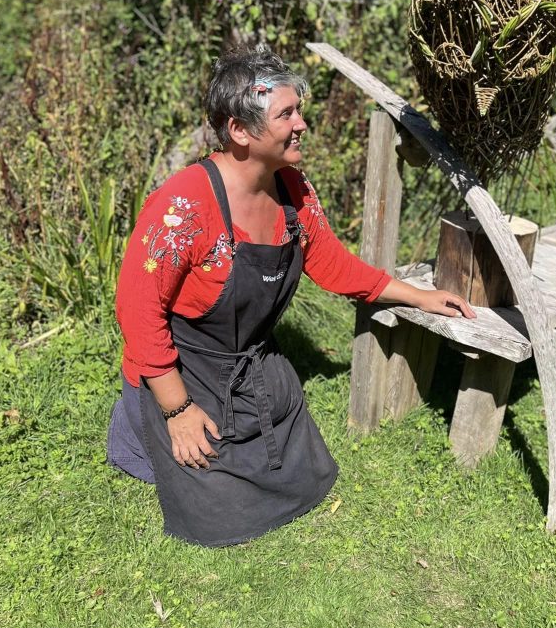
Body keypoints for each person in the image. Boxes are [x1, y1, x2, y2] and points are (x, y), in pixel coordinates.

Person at [107, 44, 476, 547]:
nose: (302, 123)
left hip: (250, 363)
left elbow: (331, 262)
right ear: (239, 130)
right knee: (220, 521)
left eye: (299, 110)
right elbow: (138, 311)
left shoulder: (293, 189)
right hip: (182, 370)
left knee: (311, 478)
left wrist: (415, 296)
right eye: (286, 113)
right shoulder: (183, 205)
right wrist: (177, 410)